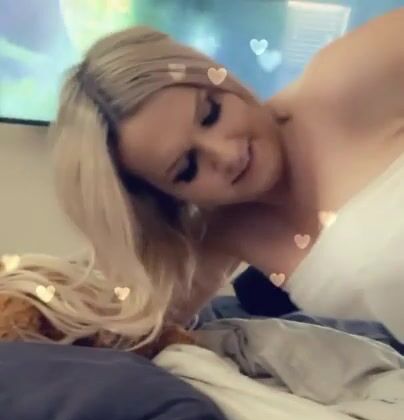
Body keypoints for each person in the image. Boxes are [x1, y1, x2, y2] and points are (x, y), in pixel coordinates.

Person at [2, 10, 404, 351]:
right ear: (165, 196)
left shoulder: (343, 82)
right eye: (187, 168)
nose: (227, 154)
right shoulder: (222, 233)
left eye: (211, 113)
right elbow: (125, 328)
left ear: (216, 77)